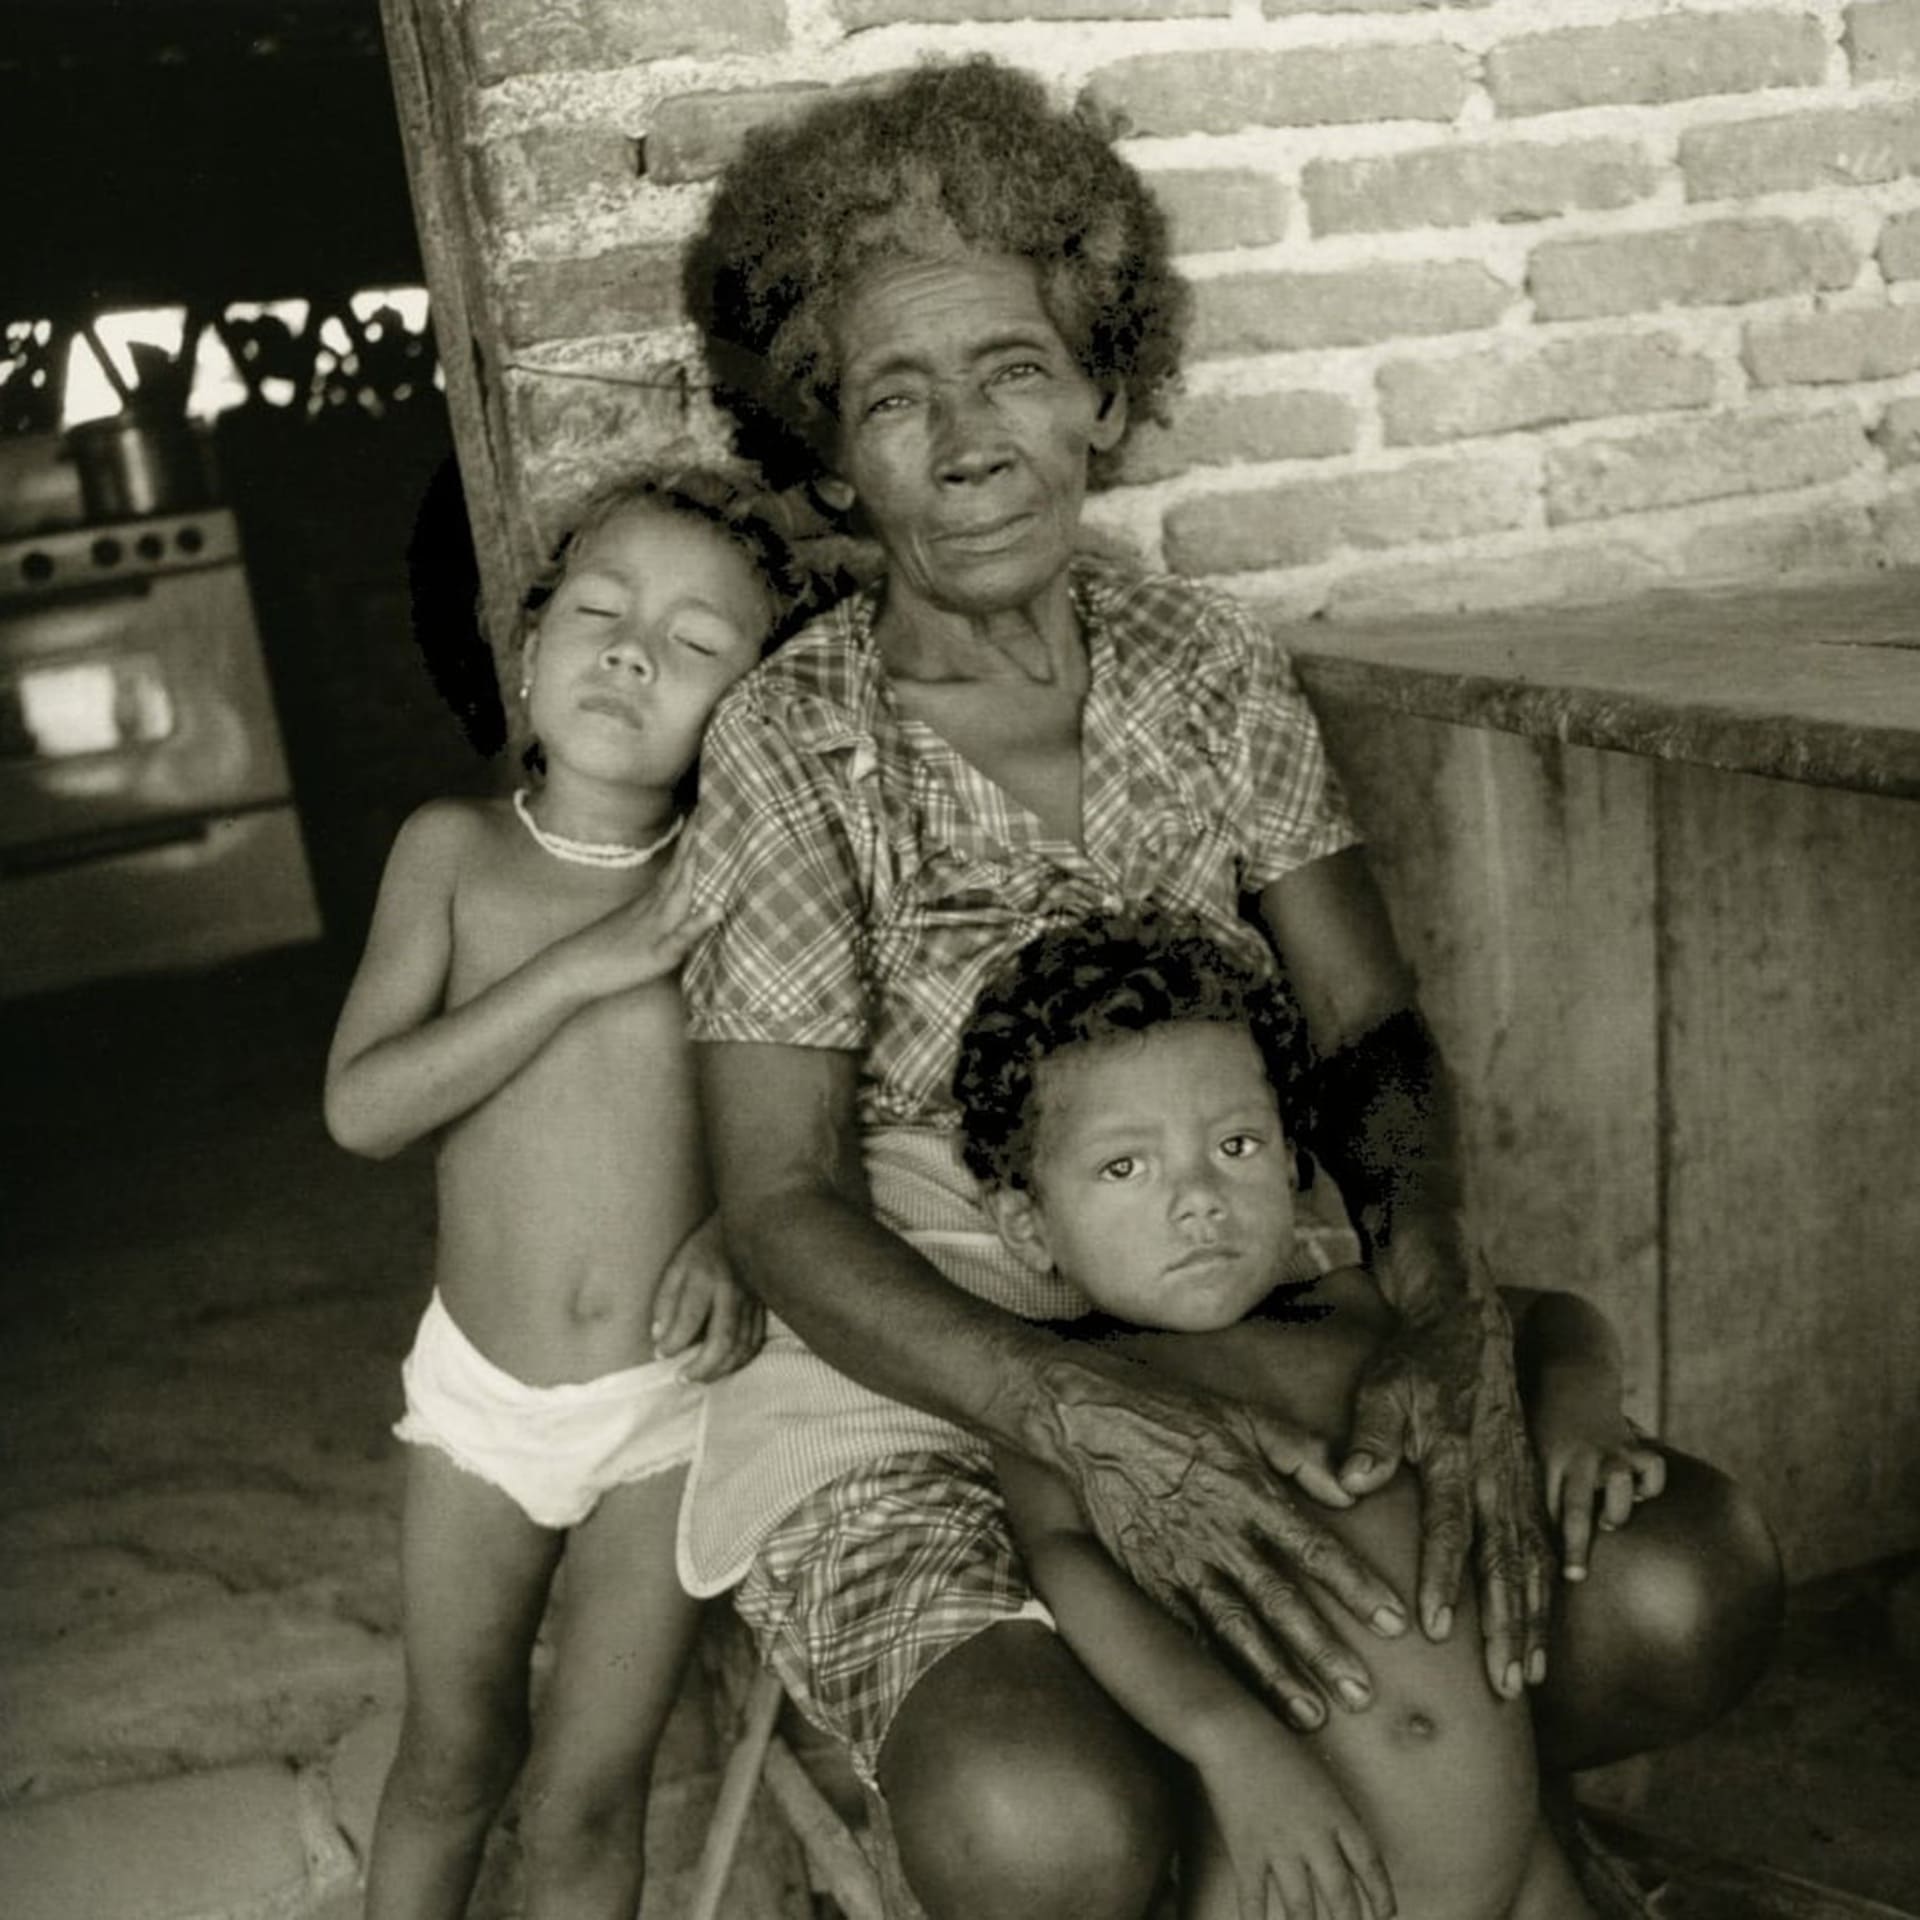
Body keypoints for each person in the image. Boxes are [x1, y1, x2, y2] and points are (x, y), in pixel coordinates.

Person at [675, 58, 1782, 1918]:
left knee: (1678, 1579)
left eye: (1015, 369)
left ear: (1104, 390)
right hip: (931, 1366)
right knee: (1040, 1815)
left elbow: (1368, 1033)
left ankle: (1493, 1845)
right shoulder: (799, 744)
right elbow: (779, 1205)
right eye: (894, 396)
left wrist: (1432, 1297)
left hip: (1231, 1282)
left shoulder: (1202, 664)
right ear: (822, 453)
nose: (967, 438)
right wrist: (1094, 1424)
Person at [956, 912, 1780, 1920]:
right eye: (1127, 1168)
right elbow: (1069, 1570)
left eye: (1236, 1144)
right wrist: (1231, 1743)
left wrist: (1582, 1412)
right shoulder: (1087, 1397)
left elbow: (1554, 1323)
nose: (1198, 1199)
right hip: (1302, 1891)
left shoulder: (1361, 1309)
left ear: (1295, 1160)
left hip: (1520, 1876)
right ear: (1028, 1225)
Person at [323, 471, 808, 1920]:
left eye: (697, 642)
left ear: (754, 714)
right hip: (482, 1403)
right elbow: (362, 1109)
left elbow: (796, 1124)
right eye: (598, 614)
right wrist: (583, 968)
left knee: (592, 1794)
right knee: (454, 1755)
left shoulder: (744, 888)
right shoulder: (453, 856)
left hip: (669, 1418)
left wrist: (737, 1237)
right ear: (524, 653)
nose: (633, 652)